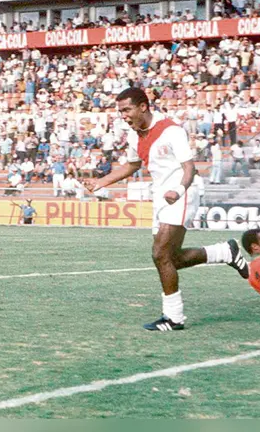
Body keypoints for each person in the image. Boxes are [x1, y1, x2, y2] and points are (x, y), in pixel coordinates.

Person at [86, 87, 249, 331]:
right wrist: (101, 181)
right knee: (171, 259)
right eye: (120, 111)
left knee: (159, 254)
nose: (124, 116)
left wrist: (180, 191)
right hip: (161, 196)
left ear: (143, 106)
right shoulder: (134, 135)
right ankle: (225, 252)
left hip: (182, 193)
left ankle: (174, 317)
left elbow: (189, 168)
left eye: (127, 110)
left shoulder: (171, 131)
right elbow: (131, 166)